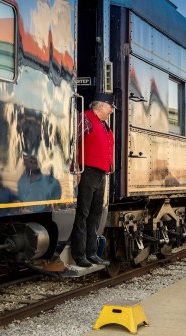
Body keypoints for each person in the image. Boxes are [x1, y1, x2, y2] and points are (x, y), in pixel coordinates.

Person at [70, 92, 115, 267]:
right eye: (110, 107)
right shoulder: (85, 119)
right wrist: (75, 167)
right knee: (83, 214)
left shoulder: (104, 124)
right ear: (102, 105)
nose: (111, 110)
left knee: (95, 215)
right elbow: (72, 141)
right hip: (87, 171)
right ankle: (79, 254)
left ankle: (91, 252)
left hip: (100, 174)